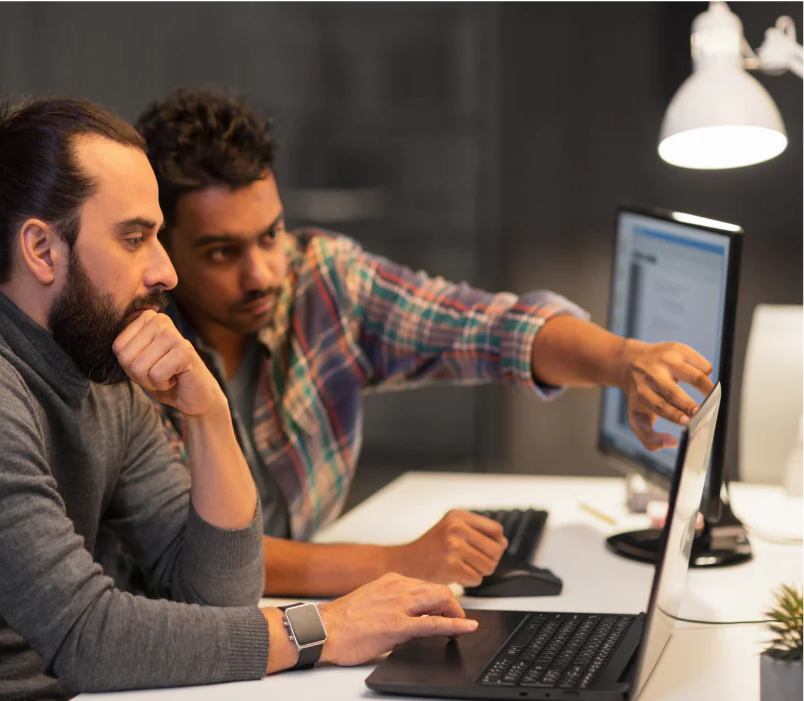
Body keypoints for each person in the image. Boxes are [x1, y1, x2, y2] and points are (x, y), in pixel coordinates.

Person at [0, 97, 479, 700]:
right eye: (134, 237)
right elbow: (89, 637)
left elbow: (217, 594)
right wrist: (323, 627)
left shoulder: (104, 382)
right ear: (42, 250)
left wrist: (208, 417)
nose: (165, 270)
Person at [130, 87, 717, 597]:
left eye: (270, 235)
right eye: (222, 252)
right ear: (162, 244)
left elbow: (489, 327)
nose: (261, 274)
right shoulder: (138, 358)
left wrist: (623, 361)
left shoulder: (322, 282)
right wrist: (399, 562)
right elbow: (196, 553)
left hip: (300, 610)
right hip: (198, 635)